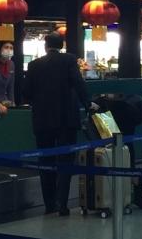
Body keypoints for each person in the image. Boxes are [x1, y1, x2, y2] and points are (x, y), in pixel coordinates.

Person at [23, 30, 93, 215]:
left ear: (45, 46)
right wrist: (88, 103)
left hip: (42, 120)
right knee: (65, 161)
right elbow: (78, 83)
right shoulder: (69, 60)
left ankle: (49, 204)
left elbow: (26, 92)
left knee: (45, 161)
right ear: (61, 46)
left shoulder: (33, 65)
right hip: (66, 120)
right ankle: (62, 203)